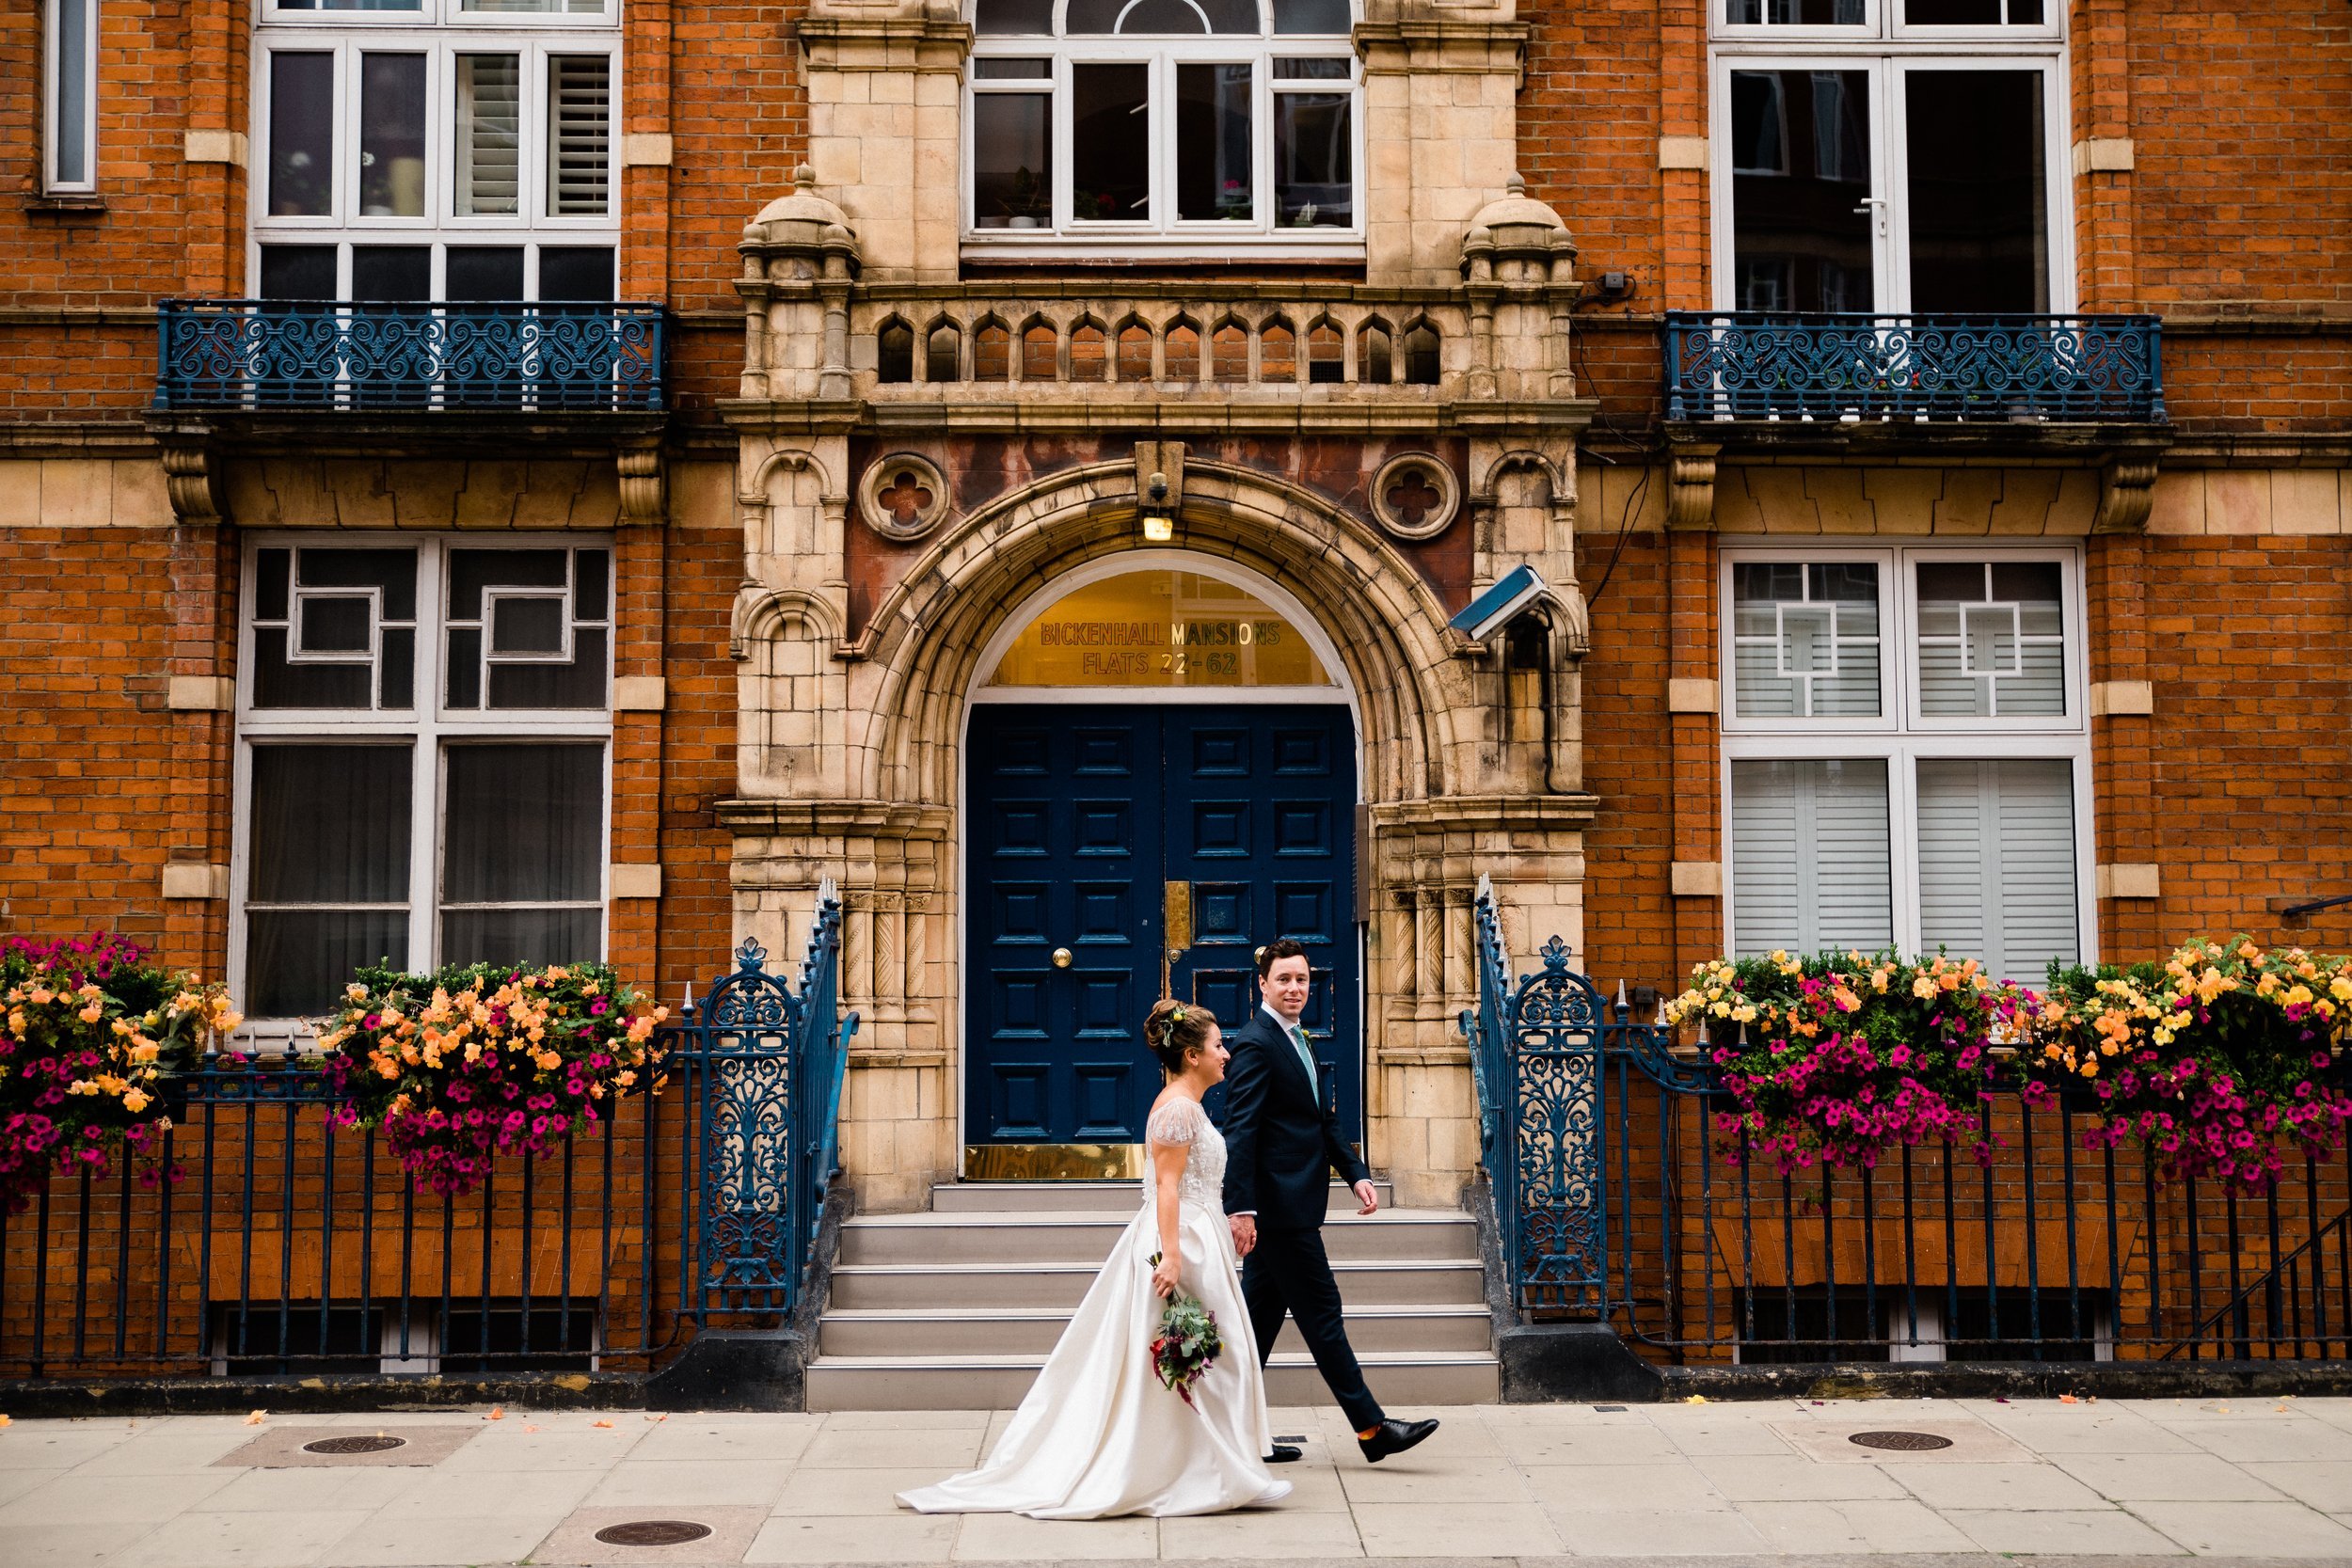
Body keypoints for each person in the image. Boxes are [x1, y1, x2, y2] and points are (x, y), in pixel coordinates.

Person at [897, 999, 1290, 1519]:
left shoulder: (1187, 1105)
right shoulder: (1177, 1108)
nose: (1227, 1054)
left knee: (1205, 1359)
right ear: (1193, 1055)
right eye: (1219, 1046)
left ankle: (1215, 1467)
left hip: (1199, 1233)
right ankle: (1202, 1472)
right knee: (1203, 1356)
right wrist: (1171, 1257)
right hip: (1182, 1241)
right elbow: (1167, 1187)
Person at [1222, 938, 1439, 1464]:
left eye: (1302, 980)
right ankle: (1372, 1429)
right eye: (1284, 980)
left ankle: (1223, 1433)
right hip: (1279, 1212)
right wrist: (1241, 1208)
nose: (1295, 988)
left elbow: (1322, 1121)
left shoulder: (1298, 1040)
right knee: (1323, 1316)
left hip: (1293, 1206)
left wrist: (1356, 1174)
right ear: (1263, 985)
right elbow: (1241, 1132)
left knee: (1253, 1328)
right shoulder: (1256, 1044)